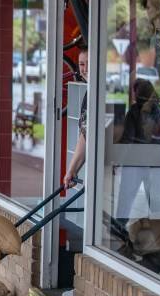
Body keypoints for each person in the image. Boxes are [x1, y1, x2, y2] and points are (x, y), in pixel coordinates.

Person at [114, 78, 160, 221]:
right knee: (156, 199)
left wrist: (116, 159)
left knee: (126, 198)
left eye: (134, 91)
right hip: (158, 160)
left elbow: (128, 138)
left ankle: (119, 229)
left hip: (136, 160)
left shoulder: (134, 111)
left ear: (137, 93)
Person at [63, 44, 89, 190]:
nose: (85, 69)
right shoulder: (90, 92)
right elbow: (85, 135)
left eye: (89, 64)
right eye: (81, 64)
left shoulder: (106, 92)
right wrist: (72, 170)